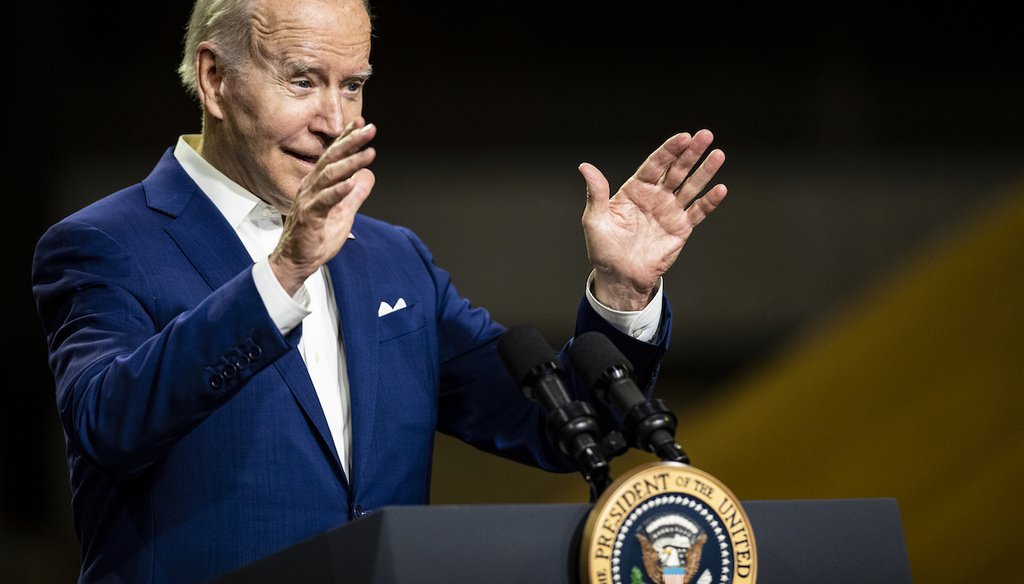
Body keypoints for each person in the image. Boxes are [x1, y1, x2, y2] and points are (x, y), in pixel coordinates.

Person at [30, 0, 728, 582]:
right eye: (303, 81)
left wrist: (623, 291)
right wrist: (282, 275)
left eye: (354, 84)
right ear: (214, 79)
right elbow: (108, 425)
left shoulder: (393, 260)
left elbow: (558, 427)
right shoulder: (106, 244)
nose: (336, 120)